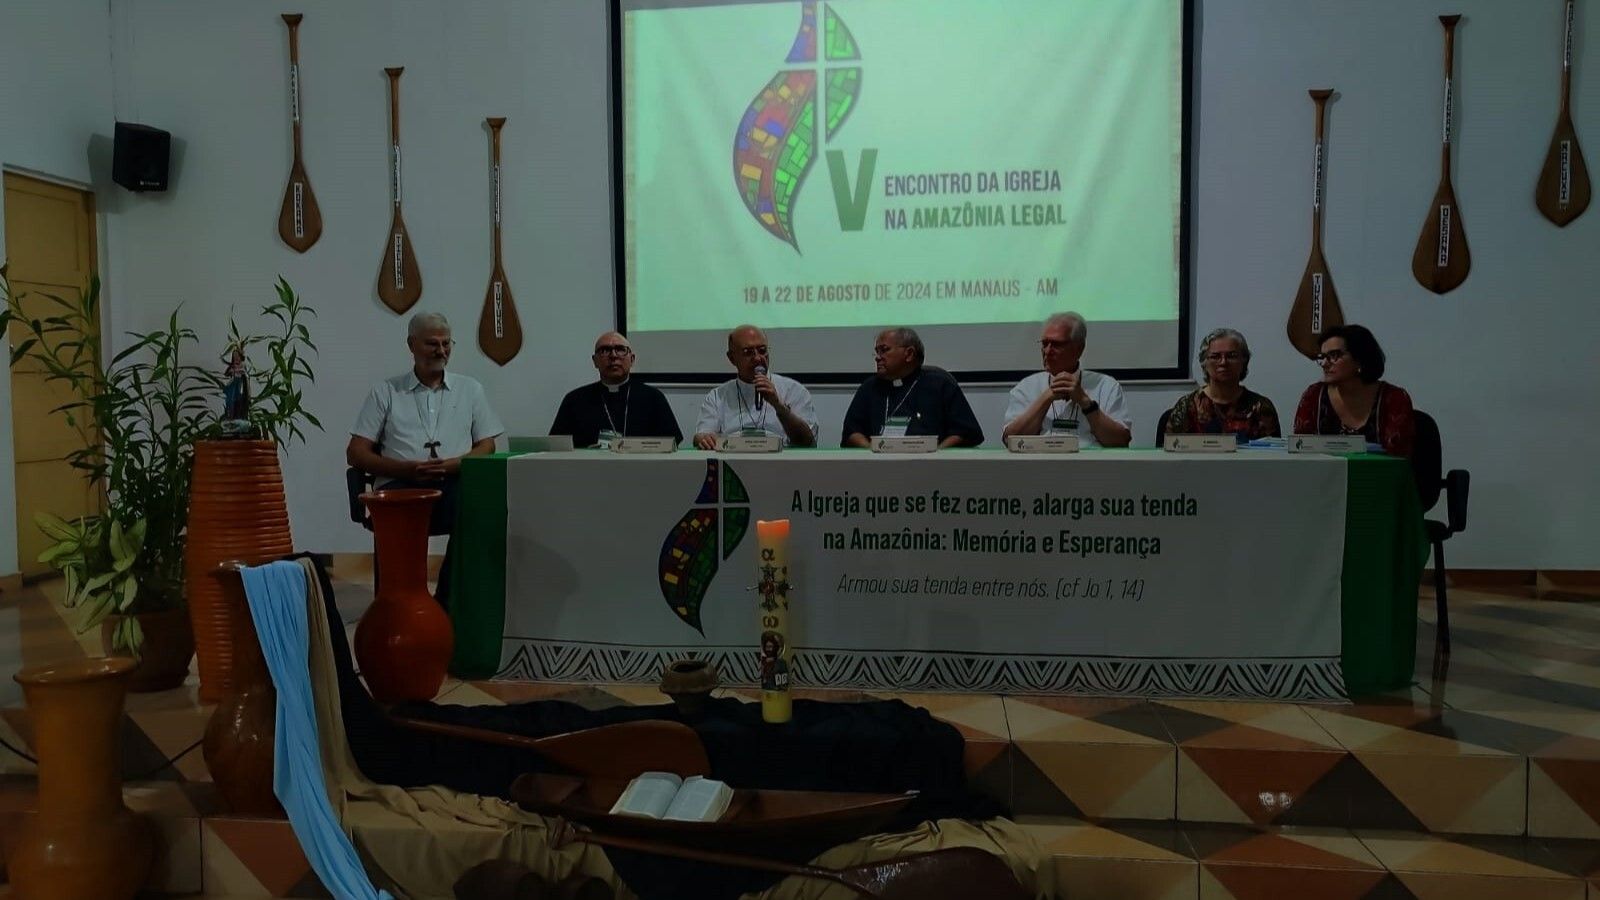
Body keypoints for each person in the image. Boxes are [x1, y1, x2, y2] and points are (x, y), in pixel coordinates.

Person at [347, 312, 504, 609]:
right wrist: (406, 468)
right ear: (412, 345)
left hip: (454, 482)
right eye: (432, 344)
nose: (441, 351)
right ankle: (394, 606)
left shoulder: (470, 389)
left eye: (447, 344)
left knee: (477, 512)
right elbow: (356, 452)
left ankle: (447, 602)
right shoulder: (386, 392)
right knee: (394, 516)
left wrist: (457, 463)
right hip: (400, 485)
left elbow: (487, 444)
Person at [1001, 312, 1132, 447]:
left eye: (1056, 344)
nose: (1047, 351)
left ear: (1079, 348)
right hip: (1041, 464)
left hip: (1090, 465)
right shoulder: (1026, 387)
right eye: (1045, 343)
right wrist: (1046, 398)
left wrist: (1085, 402)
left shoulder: (1106, 386)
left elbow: (1121, 440)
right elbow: (1010, 441)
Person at [841, 327, 984, 448]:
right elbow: (852, 432)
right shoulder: (869, 387)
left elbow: (965, 432)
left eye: (884, 350)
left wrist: (937, 455)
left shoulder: (940, 383)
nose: (877, 357)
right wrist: (873, 453)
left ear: (909, 354)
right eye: (877, 352)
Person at [1293, 324, 1415, 457]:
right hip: (1324, 476)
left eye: (1334, 355)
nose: (1325, 364)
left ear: (1360, 359)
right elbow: (1301, 450)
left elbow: (1399, 456)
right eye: (1322, 357)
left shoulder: (1394, 398)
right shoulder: (1313, 396)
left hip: (1379, 475)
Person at [692, 325, 819, 449]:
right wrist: (703, 438)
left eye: (762, 350)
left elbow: (808, 442)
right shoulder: (717, 397)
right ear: (732, 358)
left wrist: (778, 406)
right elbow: (702, 435)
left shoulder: (794, 390)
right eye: (748, 352)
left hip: (781, 465)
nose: (758, 358)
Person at [549, 331, 683, 448]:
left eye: (620, 349)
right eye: (605, 350)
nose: (613, 355)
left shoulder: (653, 398)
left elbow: (671, 443)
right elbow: (557, 447)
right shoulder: (574, 400)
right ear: (595, 361)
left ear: (632, 359)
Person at [1164, 328, 1281, 442]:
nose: (1223, 362)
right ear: (1204, 363)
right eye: (1215, 356)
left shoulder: (1261, 407)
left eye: (1231, 356)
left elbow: (1272, 457)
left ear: (1244, 361)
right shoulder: (1188, 407)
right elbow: (1172, 455)